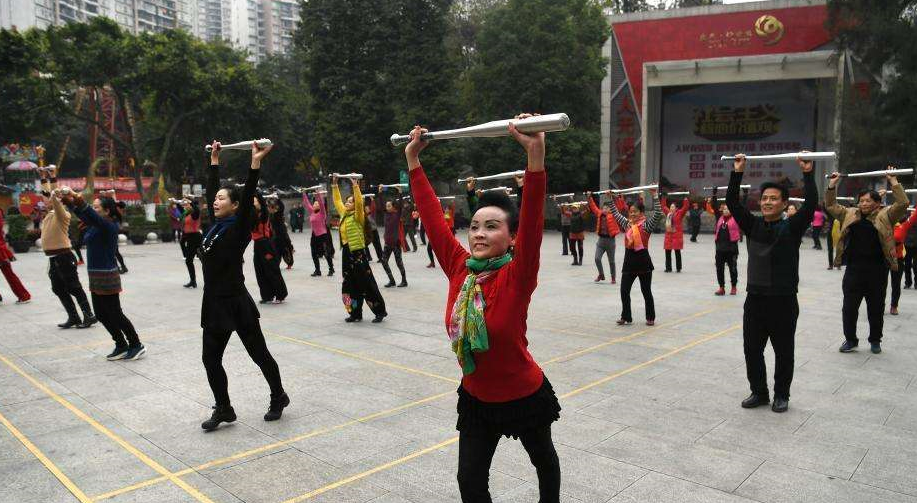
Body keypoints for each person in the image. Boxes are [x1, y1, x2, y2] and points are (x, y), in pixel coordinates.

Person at [404, 117, 561, 503]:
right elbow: (431, 218)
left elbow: (534, 219)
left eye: (492, 227)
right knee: (470, 482)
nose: (478, 234)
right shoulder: (461, 270)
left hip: (524, 393)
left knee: (543, 461)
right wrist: (413, 161)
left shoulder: (518, 274)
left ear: (510, 238)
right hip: (477, 397)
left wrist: (535, 152)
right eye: (474, 226)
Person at [198, 141, 289, 431]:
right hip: (213, 303)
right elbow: (212, 191)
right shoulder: (215, 226)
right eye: (216, 198)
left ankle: (279, 395)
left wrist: (255, 164)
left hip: (236, 302)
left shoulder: (238, 229)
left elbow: (249, 192)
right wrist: (214, 161)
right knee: (210, 359)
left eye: (223, 199)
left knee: (259, 354)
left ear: (235, 205)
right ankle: (224, 407)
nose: (216, 201)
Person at [727, 153, 815, 413]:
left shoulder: (792, 227)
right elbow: (732, 202)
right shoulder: (753, 225)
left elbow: (810, 205)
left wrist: (808, 174)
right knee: (752, 349)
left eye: (773, 198)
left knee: (783, 351)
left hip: (784, 299)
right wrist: (738, 171)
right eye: (764, 198)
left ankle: (781, 395)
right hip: (755, 299)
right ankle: (759, 392)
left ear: (784, 203)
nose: (767, 202)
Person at [826, 168, 907, 354]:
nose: (863, 204)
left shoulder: (885, 215)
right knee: (849, 308)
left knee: (876, 309)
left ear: (877, 204)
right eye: (861, 201)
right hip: (854, 271)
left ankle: (875, 340)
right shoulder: (849, 213)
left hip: (877, 271)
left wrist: (893, 181)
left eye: (868, 201)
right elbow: (830, 205)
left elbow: (903, 203)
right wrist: (832, 185)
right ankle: (850, 340)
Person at [61, 192, 146, 361]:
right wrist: (66, 201)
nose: (93, 209)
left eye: (97, 206)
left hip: (107, 276)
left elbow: (88, 212)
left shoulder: (108, 225)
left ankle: (136, 345)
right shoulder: (94, 225)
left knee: (115, 314)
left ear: (107, 211)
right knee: (100, 314)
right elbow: (83, 213)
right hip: (95, 276)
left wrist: (75, 197)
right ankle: (121, 344)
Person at [38, 167, 96, 329]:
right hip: (54, 257)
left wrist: (54, 178)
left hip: (64, 256)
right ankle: (74, 316)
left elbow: (54, 198)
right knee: (57, 288)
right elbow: (47, 197)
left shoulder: (62, 214)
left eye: (51, 200)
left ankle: (89, 315)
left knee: (74, 286)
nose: (47, 202)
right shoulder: (49, 213)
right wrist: (44, 178)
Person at [332, 176, 387, 323]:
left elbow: (358, 202)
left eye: (350, 201)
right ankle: (355, 313)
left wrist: (355, 186)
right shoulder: (344, 214)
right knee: (348, 285)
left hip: (358, 254)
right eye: (347, 201)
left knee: (366, 283)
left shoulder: (358, 216)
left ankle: (379, 311)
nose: (346, 203)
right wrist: (334, 185)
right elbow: (337, 201)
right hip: (346, 253)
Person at [609, 192, 662, 326]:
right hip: (629, 262)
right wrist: (611, 199)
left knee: (646, 291)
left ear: (641, 212)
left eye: (635, 212)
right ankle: (626, 316)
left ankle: (650, 317)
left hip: (643, 263)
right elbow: (615, 214)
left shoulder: (646, 225)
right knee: (624, 291)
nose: (632, 214)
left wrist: (655, 196)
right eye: (630, 212)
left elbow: (658, 213)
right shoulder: (627, 224)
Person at [251, 193, 287, 304]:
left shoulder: (264, 213)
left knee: (272, 270)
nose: (253, 203)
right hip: (257, 245)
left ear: (260, 202)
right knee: (260, 271)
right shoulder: (252, 215)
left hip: (266, 244)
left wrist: (255, 191)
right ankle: (267, 295)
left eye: (255, 201)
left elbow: (261, 203)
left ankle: (280, 295)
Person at [706, 193, 741, 296]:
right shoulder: (719, 217)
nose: (725, 210)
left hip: (732, 249)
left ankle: (733, 287)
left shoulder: (736, 218)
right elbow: (715, 206)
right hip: (720, 249)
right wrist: (714, 193)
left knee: (733, 269)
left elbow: (740, 205)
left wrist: (745, 194)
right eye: (724, 209)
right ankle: (721, 287)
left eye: (728, 209)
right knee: (719, 269)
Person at [585, 192, 621, 283]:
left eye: (607, 208)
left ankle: (613, 277)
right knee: (597, 259)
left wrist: (616, 197)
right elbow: (593, 207)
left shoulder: (614, 215)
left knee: (611, 261)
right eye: (604, 208)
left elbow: (619, 206)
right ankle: (601, 274)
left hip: (610, 241)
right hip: (601, 241)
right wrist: (589, 197)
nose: (605, 209)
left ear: (611, 209)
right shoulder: (599, 214)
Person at [378, 186, 408, 288]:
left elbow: (400, 206)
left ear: (393, 207)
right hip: (387, 242)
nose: (387, 207)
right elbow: (381, 204)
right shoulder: (385, 214)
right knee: (384, 261)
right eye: (387, 206)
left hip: (395, 243)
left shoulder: (397, 214)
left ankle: (404, 280)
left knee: (398, 262)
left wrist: (400, 192)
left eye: (389, 206)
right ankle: (392, 280)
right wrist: (380, 192)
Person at [0, 207, 30, 304]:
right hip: (2, 248)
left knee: (9, 273)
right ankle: (24, 295)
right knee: (9, 273)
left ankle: (24, 296)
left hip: (1, 248)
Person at [889, 210, 917, 315]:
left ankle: (894, 306)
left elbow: (914, 216)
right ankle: (880, 305)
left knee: (896, 284)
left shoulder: (903, 226)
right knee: (880, 285)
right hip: (883, 259)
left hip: (898, 259)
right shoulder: (883, 225)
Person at [304, 191, 335, 276]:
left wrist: (318, 195)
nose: (315, 205)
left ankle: (331, 269)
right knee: (314, 253)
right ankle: (317, 270)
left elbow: (321, 203)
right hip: (314, 235)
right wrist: (304, 193)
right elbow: (307, 204)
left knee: (326, 253)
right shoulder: (312, 212)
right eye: (314, 204)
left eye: (316, 204)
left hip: (323, 235)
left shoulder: (322, 213)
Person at [661, 196, 690, 273]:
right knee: (667, 253)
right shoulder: (668, 213)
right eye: (670, 207)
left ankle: (678, 268)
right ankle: (668, 268)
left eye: (673, 207)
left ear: (676, 208)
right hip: (669, 236)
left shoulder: (680, 213)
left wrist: (685, 199)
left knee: (677, 253)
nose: (671, 208)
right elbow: (663, 206)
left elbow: (686, 207)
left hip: (677, 236)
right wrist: (664, 198)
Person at [179, 199, 202, 288]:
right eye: (186, 205)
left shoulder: (195, 214)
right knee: (189, 261)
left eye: (189, 205)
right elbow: (183, 223)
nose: (186, 206)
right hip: (189, 237)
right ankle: (193, 281)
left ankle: (211, 280)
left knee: (203, 260)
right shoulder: (187, 214)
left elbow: (197, 209)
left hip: (196, 237)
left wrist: (191, 201)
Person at [427, 198, 456, 268]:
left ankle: (449, 263)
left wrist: (438, 203)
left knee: (447, 249)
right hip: (442, 231)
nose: (446, 210)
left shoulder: (448, 213)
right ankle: (434, 262)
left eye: (447, 209)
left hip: (447, 231)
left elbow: (444, 216)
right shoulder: (447, 213)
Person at [269, 198, 294, 269]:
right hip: (275, 236)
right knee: (276, 251)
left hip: (282, 236)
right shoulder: (270, 215)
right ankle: (276, 264)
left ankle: (289, 263)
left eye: (271, 208)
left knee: (285, 250)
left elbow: (282, 207)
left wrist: (278, 200)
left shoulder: (278, 214)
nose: (270, 209)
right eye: (270, 208)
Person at [904, 214, 917, 288]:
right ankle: (908, 283)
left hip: (915, 245)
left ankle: (916, 283)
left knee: (916, 266)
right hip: (907, 245)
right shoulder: (907, 219)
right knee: (907, 265)